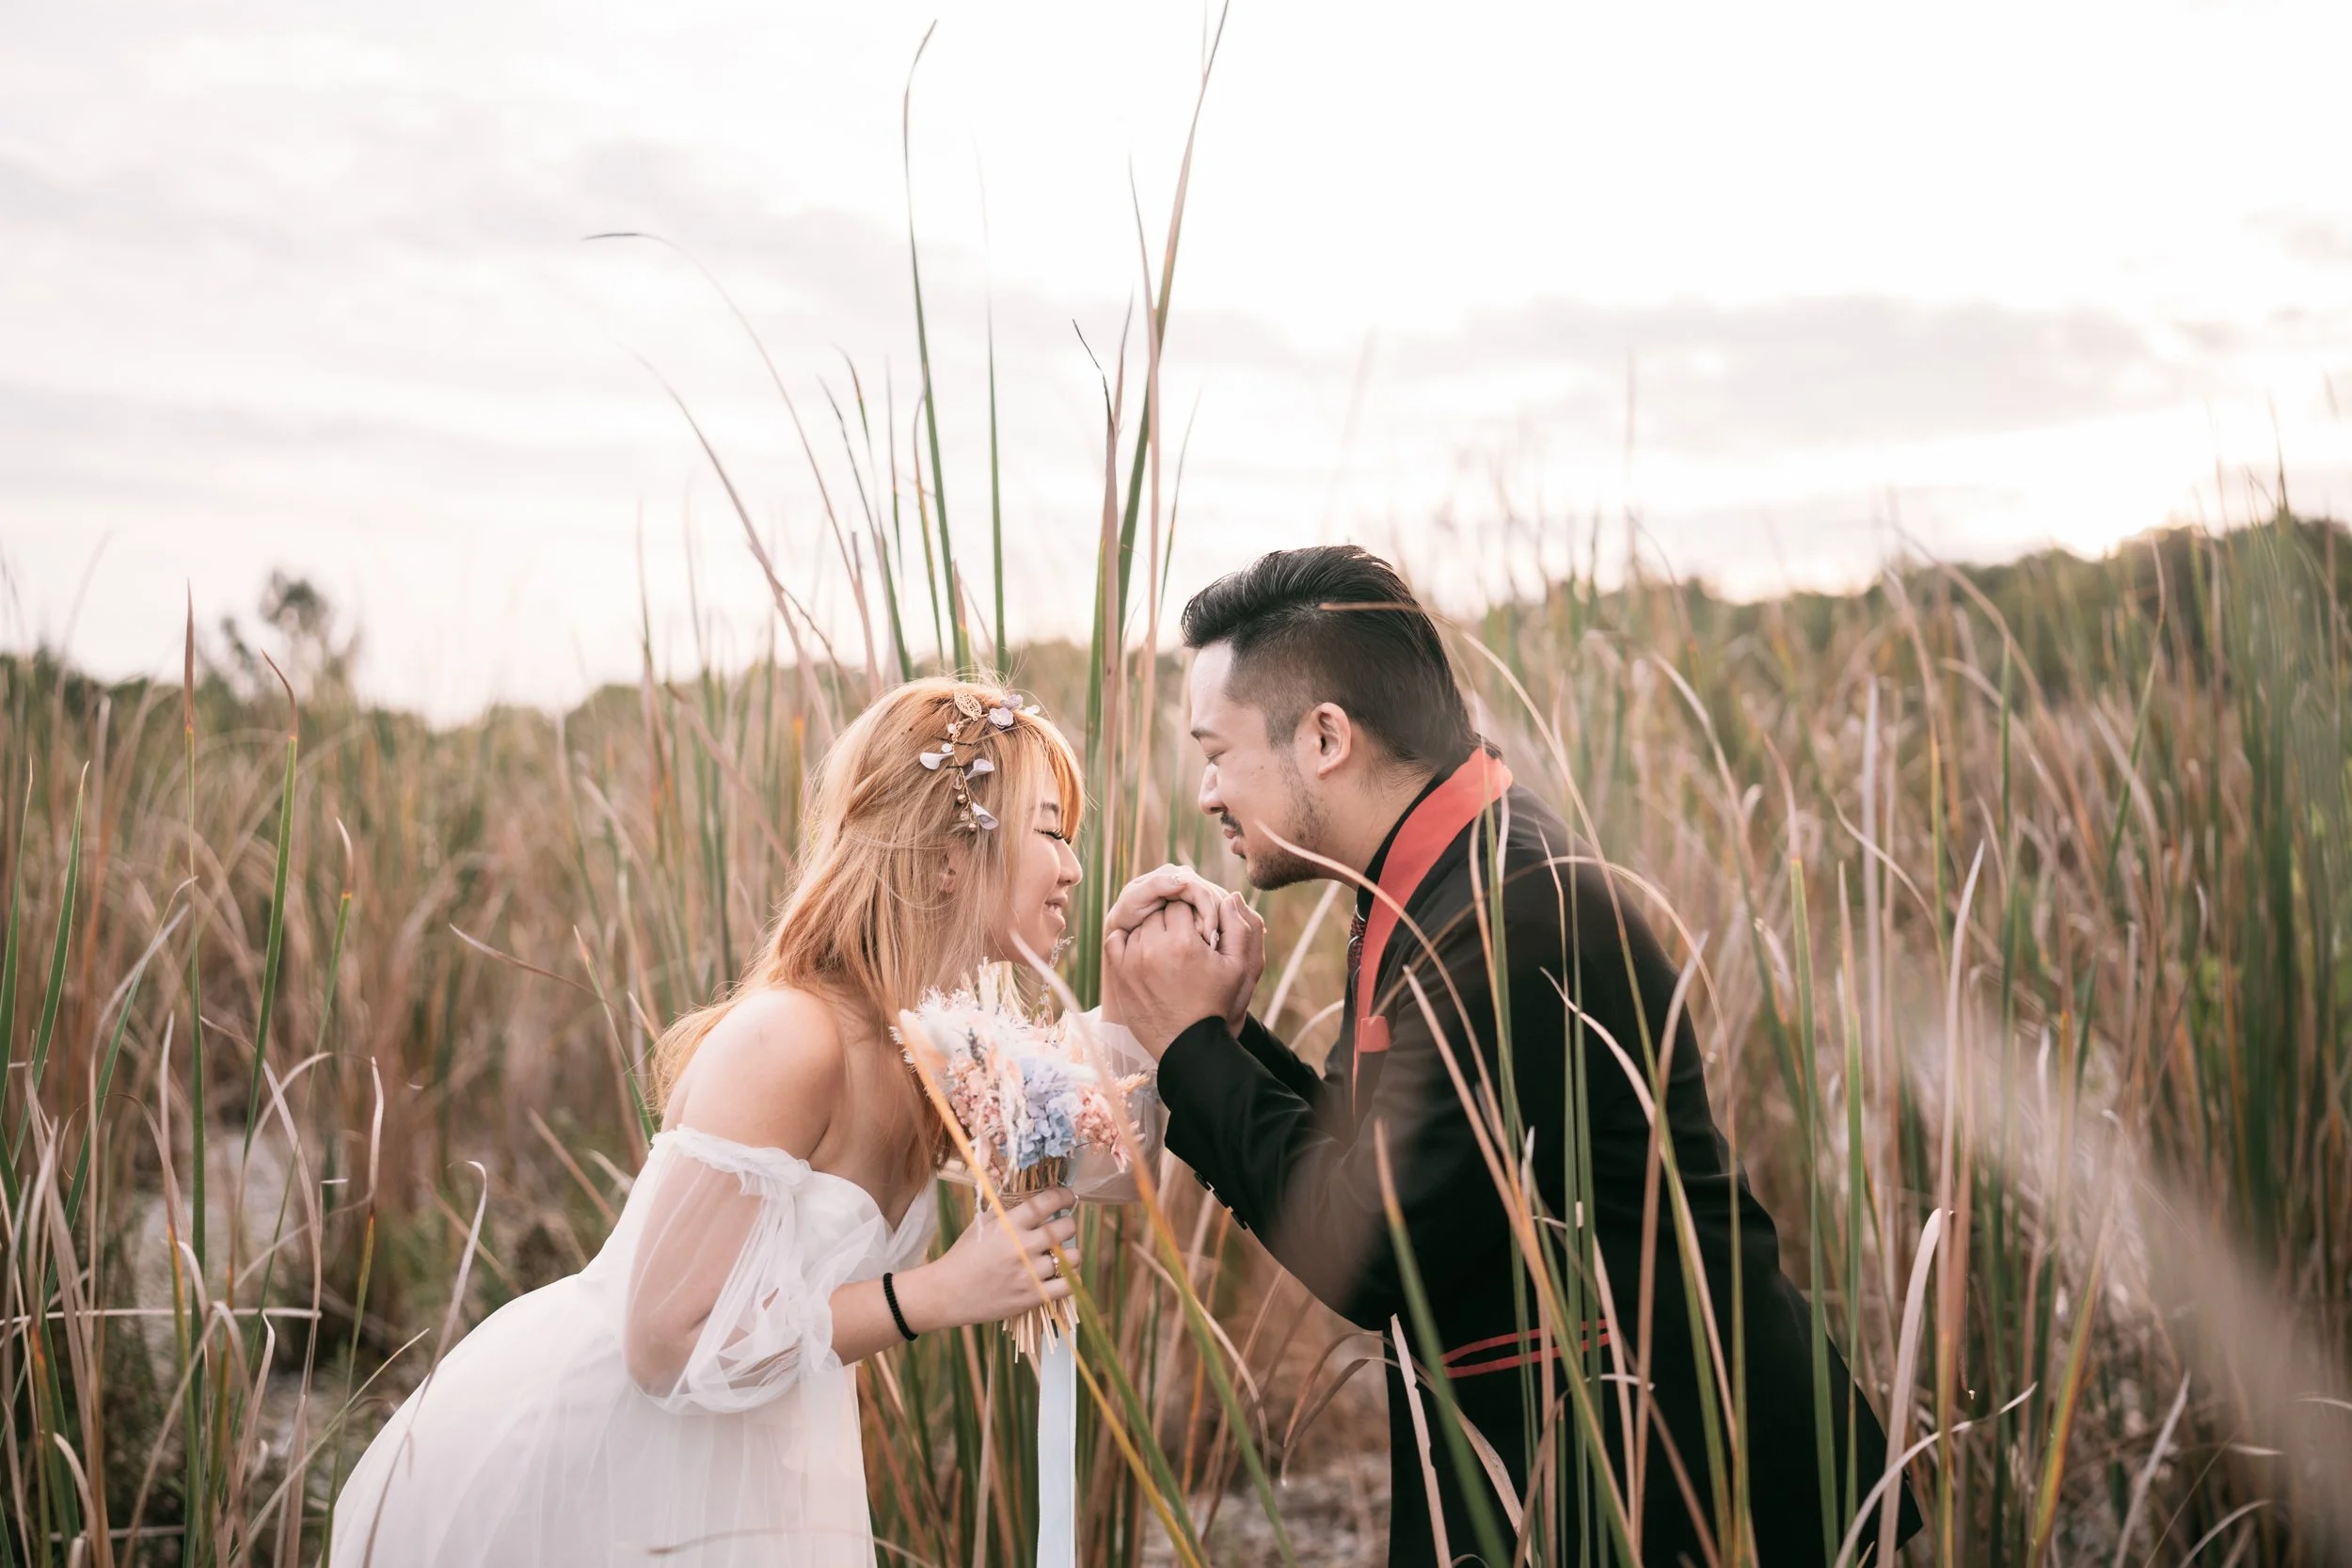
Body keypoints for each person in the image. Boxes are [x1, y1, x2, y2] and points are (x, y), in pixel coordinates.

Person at [1103, 546, 1923, 1567]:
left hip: (1695, 1497)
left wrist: (1188, 1044)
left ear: (1324, 736)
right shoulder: (1444, 877)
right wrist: (1210, 1034)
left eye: (1216, 750)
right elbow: (1381, 1166)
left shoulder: (1512, 913)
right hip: (1593, 1479)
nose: (1207, 790)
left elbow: (1370, 1247)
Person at [332, 678, 1129, 1567]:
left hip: (759, 1472)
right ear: (949, 854)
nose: (1073, 866)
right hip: (593, 1479)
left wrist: (1159, 998)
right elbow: (664, 1343)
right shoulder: (790, 1037)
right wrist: (937, 1294)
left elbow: (1105, 1159)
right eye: (1052, 829)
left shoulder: (938, 1049)